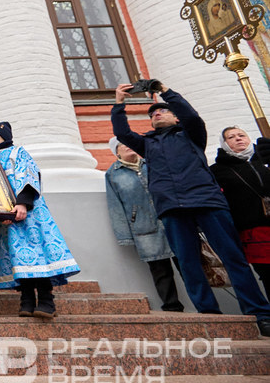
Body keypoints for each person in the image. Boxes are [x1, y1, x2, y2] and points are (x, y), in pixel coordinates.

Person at [112, 82, 270, 338]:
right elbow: (122, 133)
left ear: (176, 117)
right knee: (188, 263)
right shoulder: (147, 144)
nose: (157, 113)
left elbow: (191, 116)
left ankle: (260, 314)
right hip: (172, 208)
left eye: (163, 110)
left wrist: (165, 91)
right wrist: (119, 102)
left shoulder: (191, 134)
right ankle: (209, 315)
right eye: (153, 113)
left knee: (233, 258)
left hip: (207, 201)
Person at [0, 122, 80, 319]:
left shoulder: (17, 153)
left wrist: (23, 203)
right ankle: (26, 300)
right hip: (6, 218)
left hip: (28, 215)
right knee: (17, 259)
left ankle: (47, 301)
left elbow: (29, 177)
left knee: (37, 255)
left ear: (5, 135)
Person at [105, 137, 184, 312]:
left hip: (171, 220)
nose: (128, 146)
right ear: (117, 152)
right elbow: (115, 206)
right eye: (122, 145)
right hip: (144, 227)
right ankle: (172, 307)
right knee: (160, 269)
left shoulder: (153, 164)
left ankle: (204, 305)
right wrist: (124, 236)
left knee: (187, 264)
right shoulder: (113, 175)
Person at [210, 126, 270, 296]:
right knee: (268, 274)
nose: (238, 138)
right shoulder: (217, 170)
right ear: (224, 144)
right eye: (231, 137)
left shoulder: (264, 159)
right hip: (253, 232)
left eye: (241, 135)